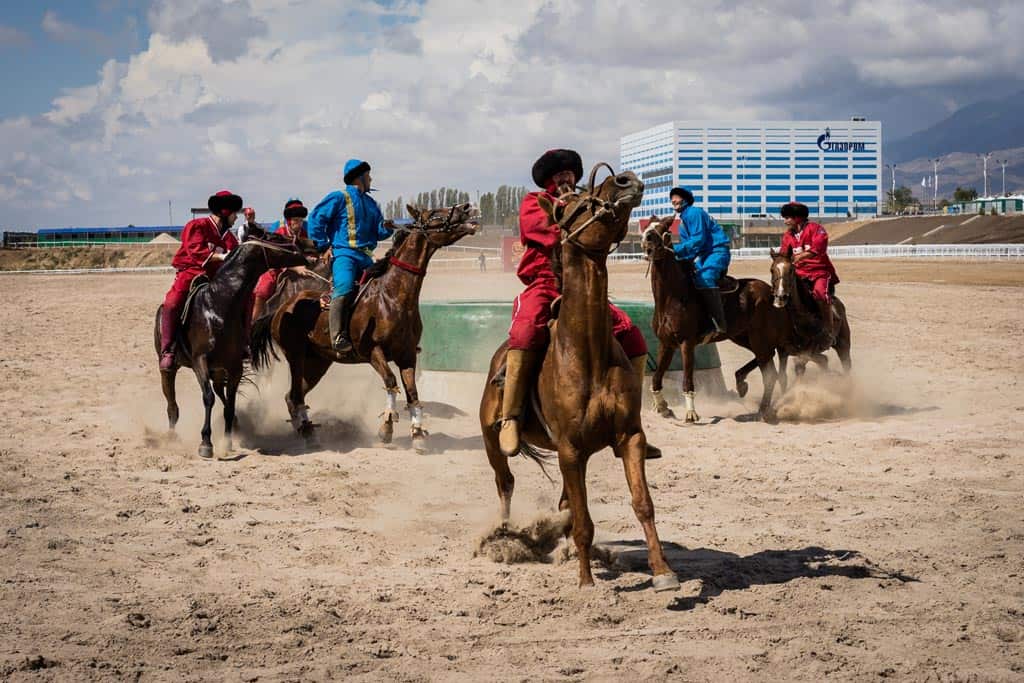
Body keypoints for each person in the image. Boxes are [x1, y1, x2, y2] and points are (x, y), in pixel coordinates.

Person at [499, 148, 657, 458]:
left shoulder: (588, 201)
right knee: (525, 331)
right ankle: (511, 418)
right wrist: (583, 219)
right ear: (548, 180)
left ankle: (631, 423)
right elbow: (545, 233)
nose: (565, 176)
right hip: (545, 284)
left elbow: (607, 235)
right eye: (557, 173)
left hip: (584, 286)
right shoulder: (535, 202)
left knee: (633, 336)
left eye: (569, 171)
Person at [308, 159, 392, 354]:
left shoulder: (371, 204)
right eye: (368, 175)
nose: (371, 178)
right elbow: (315, 219)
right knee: (345, 286)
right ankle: (337, 336)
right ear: (360, 177)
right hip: (344, 255)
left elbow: (378, 232)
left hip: (366, 258)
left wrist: (387, 227)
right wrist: (323, 246)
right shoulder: (338, 197)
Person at [158, 190, 243, 371]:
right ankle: (168, 349)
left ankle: (242, 343)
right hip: (191, 272)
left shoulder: (229, 237)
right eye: (235, 213)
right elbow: (196, 250)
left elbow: (235, 258)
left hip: (216, 277)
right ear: (225, 212)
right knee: (172, 304)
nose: (237, 218)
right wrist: (221, 258)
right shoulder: (197, 226)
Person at [668, 187, 731, 343]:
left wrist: (673, 249)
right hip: (703, 255)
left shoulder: (694, 213)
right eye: (672, 199)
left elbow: (698, 240)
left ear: (686, 200)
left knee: (705, 277)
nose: (673, 201)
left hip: (717, 251)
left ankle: (718, 324)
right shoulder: (682, 223)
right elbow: (689, 249)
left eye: (677, 198)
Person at [779, 201, 840, 346]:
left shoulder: (816, 229)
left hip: (819, 273)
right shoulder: (788, 236)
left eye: (788, 217)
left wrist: (802, 256)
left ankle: (829, 330)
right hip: (799, 274)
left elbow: (820, 247)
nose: (785, 221)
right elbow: (783, 253)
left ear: (798, 217)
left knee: (819, 293)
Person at [251, 198, 310, 320]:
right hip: (276, 267)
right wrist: (295, 267)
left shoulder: (304, 233)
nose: (299, 224)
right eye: (296, 220)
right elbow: (277, 257)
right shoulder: (279, 232)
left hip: (300, 267)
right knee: (265, 287)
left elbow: (307, 251)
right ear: (289, 220)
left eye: (301, 220)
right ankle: (254, 321)